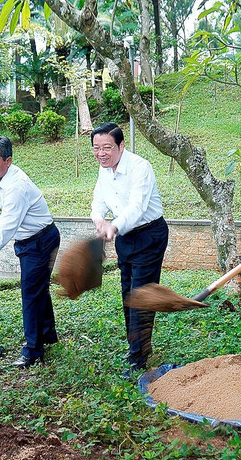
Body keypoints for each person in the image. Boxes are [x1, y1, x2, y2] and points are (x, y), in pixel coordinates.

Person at [0, 135, 60, 368]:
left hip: (41, 241)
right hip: (30, 241)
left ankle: (33, 350)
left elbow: (5, 230)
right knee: (37, 288)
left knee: (30, 292)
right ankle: (47, 334)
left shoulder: (16, 187)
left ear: (8, 160)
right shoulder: (0, 180)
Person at [90, 122, 169, 373]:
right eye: (96, 148)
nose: (101, 153)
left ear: (121, 146)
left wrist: (114, 226)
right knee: (128, 293)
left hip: (149, 234)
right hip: (125, 237)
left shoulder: (139, 167)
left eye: (107, 148)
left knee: (141, 295)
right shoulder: (104, 170)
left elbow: (137, 207)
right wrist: (100, 220)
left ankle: (139, 357)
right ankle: (137, 346)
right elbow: (98, 200)